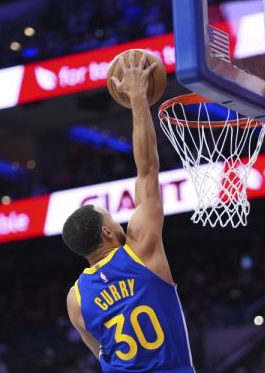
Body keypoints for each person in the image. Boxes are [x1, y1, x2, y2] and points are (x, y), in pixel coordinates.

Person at [62, 51, 195, 372]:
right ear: (107, 232)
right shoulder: (140, 251)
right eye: (112, 218)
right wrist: (138, 99)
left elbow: (101, 352)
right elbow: (147, 168)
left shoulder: (75, 299)